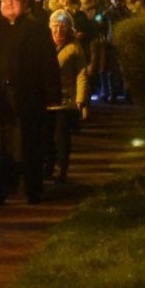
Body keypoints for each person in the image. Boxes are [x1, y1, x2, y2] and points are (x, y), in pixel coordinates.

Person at [0, 0, 59, 204]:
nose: (9, 4)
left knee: (29, 145)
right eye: (6, 0)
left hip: (28, 97)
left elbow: (48, 64)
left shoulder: (37, 31)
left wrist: (51, 95)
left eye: (15, 0)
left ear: (24, 5)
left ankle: (32, 189)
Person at [50, 10, 91, 184]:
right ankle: (49, 165)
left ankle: (61, 167)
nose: (58, 30)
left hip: (65, 100)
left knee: (61, 136)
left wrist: (81, 100)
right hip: (47, 97)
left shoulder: (74, 48)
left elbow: (81, 74)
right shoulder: (43, 44)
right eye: (55, 26)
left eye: (62, 26)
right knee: (47, 135)